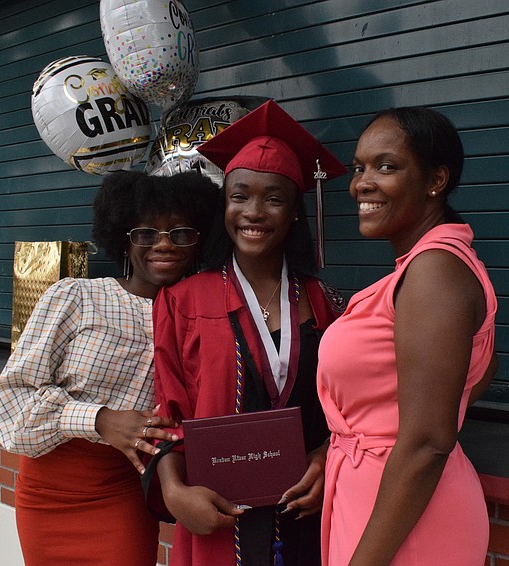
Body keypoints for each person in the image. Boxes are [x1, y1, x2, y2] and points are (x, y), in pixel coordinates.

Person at [151, 100, 347, 566]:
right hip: (218, 515)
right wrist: (175, 492)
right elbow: (167, 412)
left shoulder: (327, 303)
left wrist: (326, 459)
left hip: (308, 515)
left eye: (274, 198)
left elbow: (351, 413)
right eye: (239, 196)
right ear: (224, 205)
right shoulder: (182, 302)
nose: (253, 212)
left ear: (296, 211)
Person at [0, 170, 218, 566]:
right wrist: (99, 419)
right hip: (49, 492)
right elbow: (10, 401)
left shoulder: (204, 317)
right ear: (124, 240)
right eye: (146, 233)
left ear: (199, 241)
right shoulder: (76, 297)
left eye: (180, 233)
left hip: (121, 492)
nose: (164, 244)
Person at [317, 107, 498, 565]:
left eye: (386, 166)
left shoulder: (435, 270)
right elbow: (484, 365)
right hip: (382, 503)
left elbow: (427, 442)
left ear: (435, 180)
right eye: (359, 167)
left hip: (403, 521)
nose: (362, 183)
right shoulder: (422, 269)